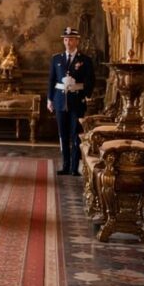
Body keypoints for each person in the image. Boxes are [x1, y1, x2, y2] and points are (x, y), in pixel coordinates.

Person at [46, 26, 95, 176]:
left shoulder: (85, 60)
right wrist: (50, 99)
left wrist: (86, 95)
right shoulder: (56, 59)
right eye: (66, 40)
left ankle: (74, 167)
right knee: (63, 134)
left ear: (77, 41)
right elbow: (52, 80)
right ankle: (65, 165)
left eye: (71, 39)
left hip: (77, 101)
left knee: (75, 134)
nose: (68, 42)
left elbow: (90, 80)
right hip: (60, 101)